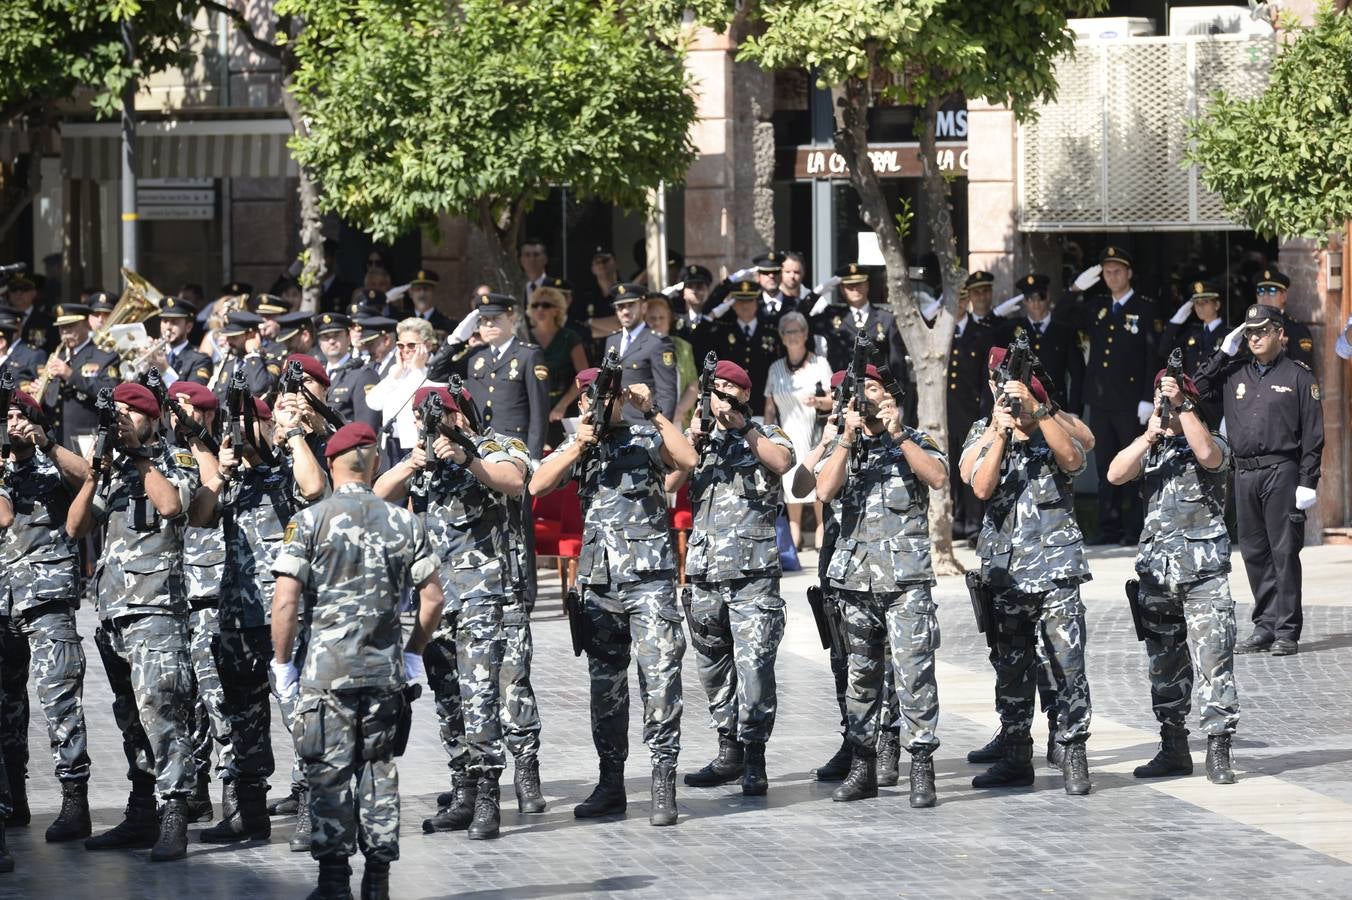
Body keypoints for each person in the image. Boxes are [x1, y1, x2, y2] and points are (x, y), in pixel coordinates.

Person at [270, 422, 445, 899]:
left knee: (328, 775)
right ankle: (378, 880)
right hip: (385, 674)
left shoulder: (310, 521)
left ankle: (333, 882)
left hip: (327, 676)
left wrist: (283, 665)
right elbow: (432, 600)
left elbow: (285, 601)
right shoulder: (406, 523)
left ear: (331, 463)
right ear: (374, 464)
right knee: (378, 771)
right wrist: (413, 655)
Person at [530, 373, 697, 826]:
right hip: (599, 584)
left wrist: (656, 411)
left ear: (622, 398)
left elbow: (688, 457)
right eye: (591, 395)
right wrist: (576, 445)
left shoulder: (645, 435)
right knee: (606, 689)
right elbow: (536, 487)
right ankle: (611, 783)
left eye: (607, 395)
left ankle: (663, 779)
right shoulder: (579, 443)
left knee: (660, 680)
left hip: (649, 580)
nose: (599, 403)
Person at [377, 386, 528, 840]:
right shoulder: (420, 459)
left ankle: (487, 797)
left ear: (463, 413)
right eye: (429, 417)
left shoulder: (494, 446)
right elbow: (377, 497)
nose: (439, 423)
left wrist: (466, 460)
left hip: (482, 596)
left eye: (445, 414)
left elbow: (515, 482)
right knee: (447, 700)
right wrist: (410, 463)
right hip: (433, 600)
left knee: (480, 696)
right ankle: (462, 791)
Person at [67, 382, 201, 860]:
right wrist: (93, 475)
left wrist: (141, 456)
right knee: (131, 720)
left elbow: (171, 506)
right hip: (113, 611)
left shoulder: (175, 459)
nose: (121, 419)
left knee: (162, 712)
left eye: (129, 412)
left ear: (150, 418)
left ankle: (175, 814)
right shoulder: (114, 469)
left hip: (157, 609)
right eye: (116, 412)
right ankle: (142, 810)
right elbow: (76, 527)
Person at [191, 386, 325, 847]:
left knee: (299, 714)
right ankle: (249, 814)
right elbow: (199, 517)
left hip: (284, 616)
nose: (239, 433)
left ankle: (312, 808)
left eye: (248, 423)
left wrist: (290, 436)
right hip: (235, 616)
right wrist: (218, 475)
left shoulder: (289, 467)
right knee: (242, 717)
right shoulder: (232, 477)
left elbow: (314, 488)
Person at [960, 350, 1094, 796]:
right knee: (1011, 667)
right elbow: (979, 484)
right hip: (1007, 573)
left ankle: (1073, 751)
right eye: (1000, 388)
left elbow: (1075, 458)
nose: (1007, 395)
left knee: (1068, 665)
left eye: (1013, 387)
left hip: (1056, 568)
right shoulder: (984, 432)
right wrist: (1000, 432)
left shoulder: (1052, 426)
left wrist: (1038, 414)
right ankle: (1016, 753)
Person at [816, 366, 947, 807]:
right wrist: (847, 438)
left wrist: (897, 436)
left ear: (888, 395)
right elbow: (823, 491)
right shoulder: (843, 445)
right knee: (861, 681)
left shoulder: (912, 438)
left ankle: (922, 766)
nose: (866, 398)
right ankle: (862, 767)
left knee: (915, 678)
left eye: (872, 389)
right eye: (858, 392)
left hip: (905, 580)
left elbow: (937, 477)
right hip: (854, 581)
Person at [1106, 370, 1239, 785]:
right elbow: (1113, 473)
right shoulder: (1153, 448)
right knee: (1164, 668)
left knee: (1214, 664)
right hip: (1157, 578)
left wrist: (1181, 406)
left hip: (1203, 577)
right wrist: (1148, 436)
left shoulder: (1213, 441)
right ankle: (1173, 747)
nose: (1166, 411)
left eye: (1174, 404)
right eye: (1162, 403)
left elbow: (1209, 456)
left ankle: (1218, 748)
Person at [673, 361, 794, 797]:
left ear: (744, 395)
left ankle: (755, 753)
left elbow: (781, 462)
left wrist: (742, 426)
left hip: (753, 575)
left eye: (729, 389)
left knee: (755, 667)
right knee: (713, 667)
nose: (719, 396)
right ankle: (728, 749)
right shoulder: (698, 439)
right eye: (714, 389)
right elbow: (669, 482)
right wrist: (691, 441)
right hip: (705, 573)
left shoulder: (765, 434)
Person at [1194, 304, 1324, 656]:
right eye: (1250, 332)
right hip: (1244, 472)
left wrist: (1308, 481)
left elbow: (1313, 435)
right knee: (1253, 552)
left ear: (1280, 334)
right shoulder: (1235, 373)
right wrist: (1223, 351)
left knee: (1283, 552)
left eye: (1262, 331)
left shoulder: (1299, 377)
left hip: (1281, 471)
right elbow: (1196, 389)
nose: (1254, 337)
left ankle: (1286, 630)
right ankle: (1265, 625)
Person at [0, 390, 93, 842]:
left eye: (20, 416)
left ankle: (75, 802)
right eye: (7, 416)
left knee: (60, 703)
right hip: (1, 605)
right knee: (8, 708)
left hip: (45, 598)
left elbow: (91, 477)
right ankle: (14, 799)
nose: (12, 423)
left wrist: (47, 442)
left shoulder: (49, 464)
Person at [1075, 246, 1160, 545]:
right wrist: (1075, 288)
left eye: (1117, 271)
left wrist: (1148, 397)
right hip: (1101, 401)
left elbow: (1153, 353)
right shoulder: (1096, 306)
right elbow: (1062, 320)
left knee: (1133, 467)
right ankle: (1108, 526)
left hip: (1130, 402)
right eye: (1107, 272)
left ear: (1129, 273)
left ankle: (1133, 528)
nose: (1112, 277)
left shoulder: (1145, 307)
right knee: (1104, 467)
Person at [429, 293, 550, 460]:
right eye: (484, 320)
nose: (489, 324)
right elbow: (436, 373)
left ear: (511, 318)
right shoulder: (476, 355)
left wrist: (534, 456)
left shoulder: (528, 355)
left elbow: (539, 412)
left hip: (515, 447)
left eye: (496, 318)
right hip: (479, 445)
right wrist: (455, 340)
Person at [763, 311, 833, 549]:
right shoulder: (774, 368)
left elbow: (834, 400)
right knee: (788, 480)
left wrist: (818, 402)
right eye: (788, 332)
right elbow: (770, 406)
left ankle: (820, 528)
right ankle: (795, 532)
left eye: (797, 331)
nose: (792, 336)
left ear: (805, 334)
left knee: (815, 475)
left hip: (814, 430)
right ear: (782, 337)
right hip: (787, 432)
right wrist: (767, 433)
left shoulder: (820, 363)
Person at [946, 289, 999, 543]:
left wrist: (985, 414)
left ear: (966, 301)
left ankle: (973, 524)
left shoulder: (980, 334)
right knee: (952, 470)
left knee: (972, 466)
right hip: (947, 413)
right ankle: (956, 521)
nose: (956, 304)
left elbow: (983, 378)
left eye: (959, 299)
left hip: (971, 412)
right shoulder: (941, 333)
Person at [39, 304, 120, 455]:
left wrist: (71, 375)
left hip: (86, 439)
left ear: (86, 324)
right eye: (61, 328)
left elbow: (110, 392)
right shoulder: (58, 357)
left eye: (70, 327)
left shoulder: (103, 356)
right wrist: (41, 392)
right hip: (55, 439)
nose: (65, 333)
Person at [602, 284, 679, 423]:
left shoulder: (658, 342)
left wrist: (660, 433)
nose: (625, 311)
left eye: (631, 305)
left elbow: (667, 393)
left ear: (643, 307)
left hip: (645, 426)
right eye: (620, 307)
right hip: (615, 425)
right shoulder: (612, 340)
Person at [365, 317, 435, 467]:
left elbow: (414, 401)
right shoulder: (397, 370)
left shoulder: (433, 371)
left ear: (427, 345)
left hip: (416, 445)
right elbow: (373, 402)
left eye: (411, 345)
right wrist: (395, 376)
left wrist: (417, 370)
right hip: (389, 444)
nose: (405, 351)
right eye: (401, 346)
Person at [527, 285, 587, 447]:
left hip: (563, 409)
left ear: (557, 310)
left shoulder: (570, 337)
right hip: (530, 408)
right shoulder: (523, 337)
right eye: (535, 305)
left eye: (546, 305)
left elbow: (583, 377)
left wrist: (562, 406)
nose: (540, 309)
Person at [712, 281, 781, 418]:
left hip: (763, 406)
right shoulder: (722, 332)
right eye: (740, 301)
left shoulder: (771, 331)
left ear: (757, 302)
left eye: (749, 300)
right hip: (730, 406)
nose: (745, 305)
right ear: (733, 304)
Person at [315, 313, 380, 431]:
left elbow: (367, 427)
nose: (331, 341)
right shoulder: (316, 375)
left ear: (348, 337)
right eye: (325, 337)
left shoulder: (363, 374)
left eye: (336, 335)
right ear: (319, 342)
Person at [1252, 268, 1314, 367]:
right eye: (1261, 291)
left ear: (1284, 296)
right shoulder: (1248, 328)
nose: (1265, 296)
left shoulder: (1297, 330)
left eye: (1272, 291)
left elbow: (1301, 369)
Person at [155, 297, 214, 385]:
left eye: (174, 322)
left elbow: (191, 394)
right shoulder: (155, 354)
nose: (168, 327)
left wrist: (165, 370)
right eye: (165, 321)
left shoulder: (200, 360)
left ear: (188, 327)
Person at [406, 269, 457, 338]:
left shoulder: (449, 324)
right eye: (418, 289)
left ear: (434, 292)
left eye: (426, 289)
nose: (422, 294)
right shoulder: (401, 320)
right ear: (410, 293)